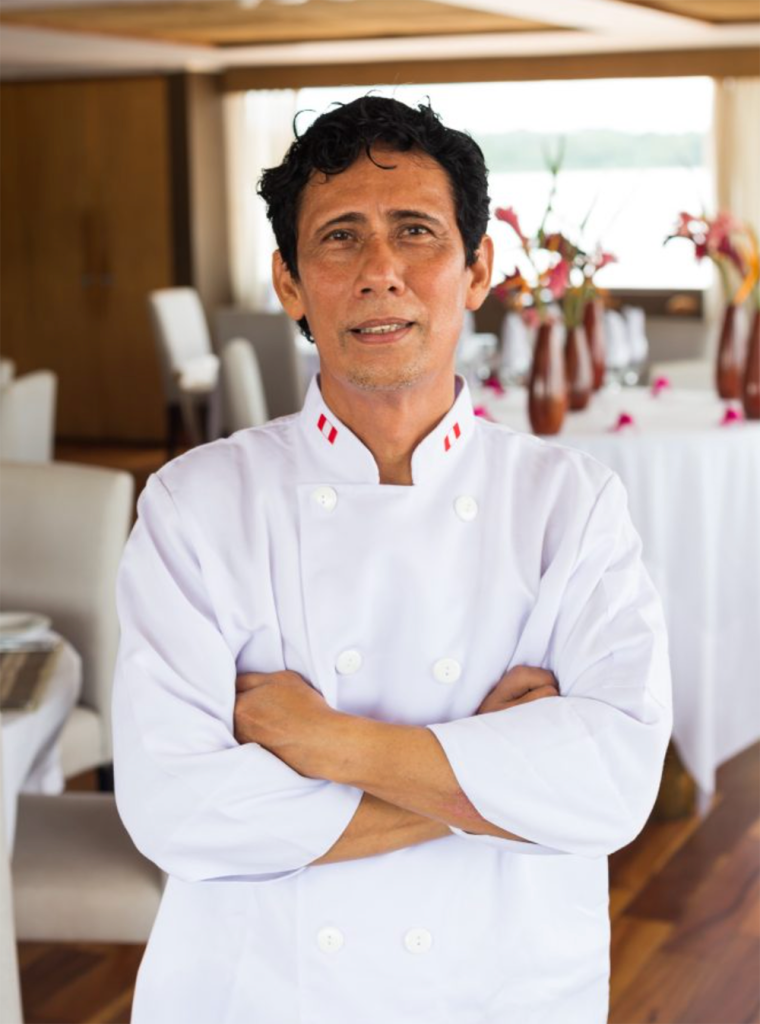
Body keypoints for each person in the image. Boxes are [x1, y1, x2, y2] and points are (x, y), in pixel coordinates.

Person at [113, 96, 672, 1023]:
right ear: (291, 283)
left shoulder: (571, 505)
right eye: (339, 238)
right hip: (261, 994)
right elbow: (176, 808)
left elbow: (612, 788)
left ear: (477, 268)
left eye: (416, 230)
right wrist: (502, 779)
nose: (380, 271)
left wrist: (329, 743)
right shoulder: (195, 506)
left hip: (503, 991)